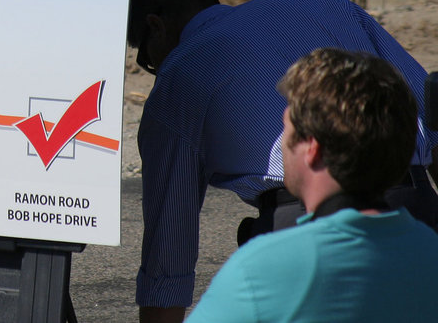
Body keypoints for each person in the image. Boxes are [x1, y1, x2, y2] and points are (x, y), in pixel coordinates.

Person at [126, 0, 438, 323]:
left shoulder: (176, 80)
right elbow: (430, 112)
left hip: (298, 229)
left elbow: (169, 257)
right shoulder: (320, 3)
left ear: (155, 26)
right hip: (416, 207)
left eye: (147, 59)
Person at [186, 48, 438, 322]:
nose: (282, 143)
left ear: (312, 148)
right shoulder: (431, 255)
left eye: (286, 128)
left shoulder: (262, 269)